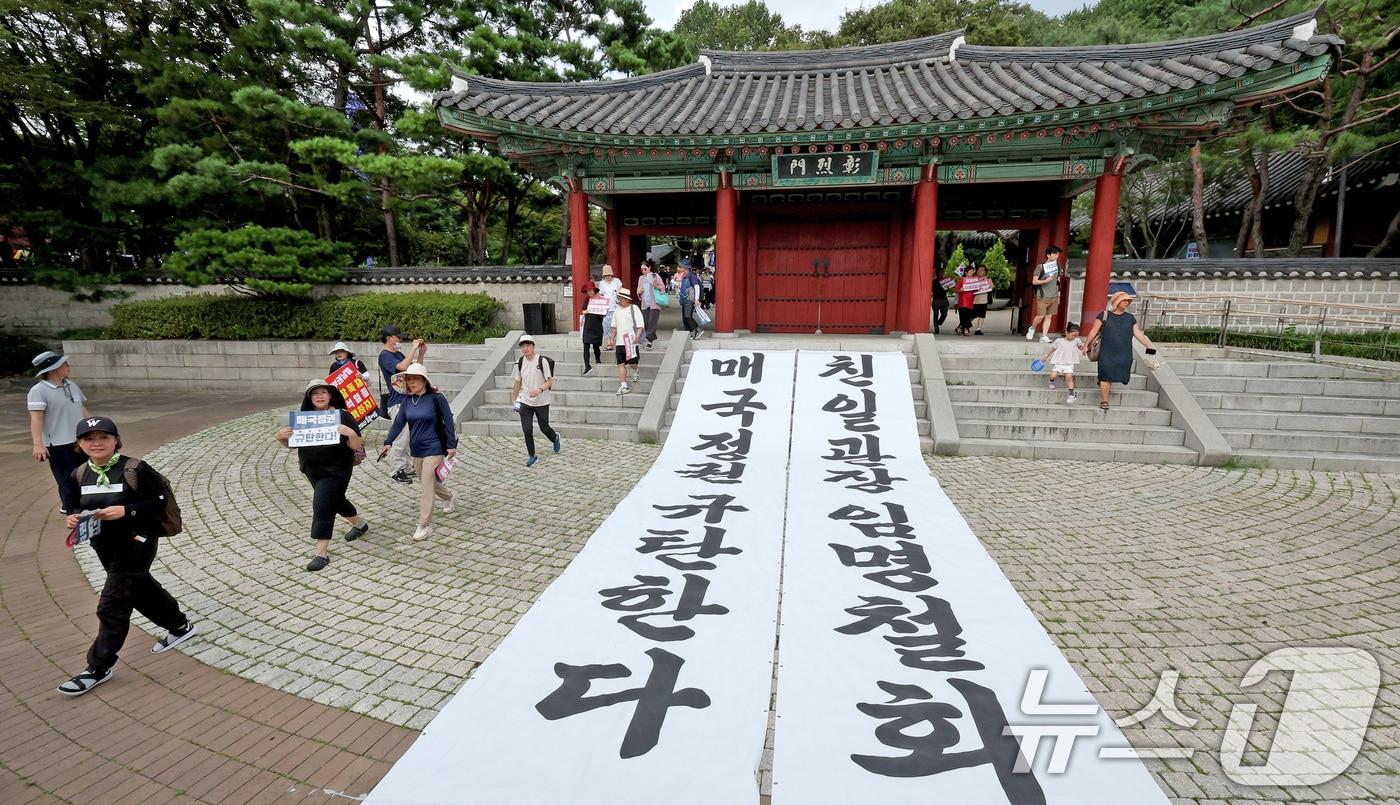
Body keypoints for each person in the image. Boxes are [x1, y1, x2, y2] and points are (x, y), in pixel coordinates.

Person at [56, 416, 196, 696]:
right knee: (139, 587)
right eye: (88, 439)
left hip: (138, 540)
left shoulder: (135, 469)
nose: (96, 443)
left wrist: (126, 510)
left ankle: (98, 667)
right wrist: (72, 517)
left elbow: (158, 499)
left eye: (103, 438)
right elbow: (70, 505)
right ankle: (180, 626)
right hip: (103, 543)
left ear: (116, 440)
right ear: (79, 444)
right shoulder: (79, 474)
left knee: (112, 603)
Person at [276, 380, 369, 571]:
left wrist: (350, 433)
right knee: (335, 500)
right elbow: (294, 444)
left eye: (323, 392)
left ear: (330, 395)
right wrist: (282, 439)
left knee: (322, 505)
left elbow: (356, 444)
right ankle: (360, 525)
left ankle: (321, 553)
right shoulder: (304, 417)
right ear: (309, 397)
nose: (319, 396)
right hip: (312, 469)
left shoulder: (342, 416)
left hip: (337, 470)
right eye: (315, 393)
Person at [379, 363, 457, 540]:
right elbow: (398, 423)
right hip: (417, 450)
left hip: (435, 447)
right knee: (429, 482)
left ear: (424, 380)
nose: (411, 382)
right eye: (408, 379)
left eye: (415, 379)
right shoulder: (407, 401)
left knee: (426, 486)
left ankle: (424, 525)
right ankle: (450, 496)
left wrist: (451, 445)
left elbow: (449, 421)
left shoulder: (437, 398)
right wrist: (388, 442)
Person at [28, 350, 89, 512]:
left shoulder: (72, 385)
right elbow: (36, 419)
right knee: (66, 479)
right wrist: (38, 444)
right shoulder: (38, 391)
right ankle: (71, 509)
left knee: (86, 474)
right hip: (58, 444)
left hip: (80, 440)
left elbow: (81, 408)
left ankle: (84, 504)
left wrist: (92, 428)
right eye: (64, 364)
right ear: (54, 368)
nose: (68, 366)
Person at [1081, 292, 1160, 412]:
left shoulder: (1130, 318)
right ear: (1116, 302)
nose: (1126, 303)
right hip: (1106, 351)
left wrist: (1149, 345)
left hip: (1123, 352)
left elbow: (1138, 333)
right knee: (1105, 375)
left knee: (1116, 374)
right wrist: (1086, 345)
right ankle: (1104, 401)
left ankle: (1105, 386)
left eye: (1128, 301)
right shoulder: (1104, 315)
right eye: (1124, 301)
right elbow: (1093, 331)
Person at [378, 325, 426, 484]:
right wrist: (412, 349)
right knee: (400, 437)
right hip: (397, 402)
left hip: (407, 399)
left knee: (409, 436)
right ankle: (396, 470)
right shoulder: (385, 356)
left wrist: (421, 353)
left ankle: (407, 467)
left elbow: (414, 370)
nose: (401, 340)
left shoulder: (398, 353)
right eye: (398, 337)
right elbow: (402, 367)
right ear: (389, 338)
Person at [510, 334, 561, 467]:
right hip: (525, 401)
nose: (525, 348)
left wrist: (540, 389)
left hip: (542, 401)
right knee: (527, 429)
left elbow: (550, 381)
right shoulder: (519, 363)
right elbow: (517, 382)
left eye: (528, 345)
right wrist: (514, 398)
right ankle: (532, 455)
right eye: (523, 346)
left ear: (533, 346)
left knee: (544, 427)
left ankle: (554, 438)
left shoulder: (542, 361)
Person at [609, 288, 646, 395]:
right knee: (620, 364)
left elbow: (640, 325)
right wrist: (611, 338)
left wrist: (637, 336)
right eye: (618, 298)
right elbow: (614, 327)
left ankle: (636, 369)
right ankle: (624, 385)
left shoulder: (634, 308)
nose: (619, 300)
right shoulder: (617, 310)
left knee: (632, 363)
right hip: (620, 342)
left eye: (620, 298)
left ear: (626, 299)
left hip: (630, 341)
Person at [1027, 245, 1062, 343]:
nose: (1057, 256)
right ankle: (1032, 328)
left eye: (1057, 254)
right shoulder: (1041, 267)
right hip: (1042, 294)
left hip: (1053, 294)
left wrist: (1058, 294)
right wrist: (1045, 281)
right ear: (1048, 255)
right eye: (1055, 254)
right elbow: (1034, 281)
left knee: (1049, 316)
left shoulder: (1058, 266)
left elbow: (1058, 281)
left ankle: (1044, 336)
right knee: (1041, 315)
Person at [1043, 323, 1083, 405]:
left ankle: (1071, 394)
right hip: (1059, 362)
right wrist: (1046, 355)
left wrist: (1084, 350)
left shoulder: (1076, 341)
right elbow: (1053, 348)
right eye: (1073, 335)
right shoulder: (1059, 341)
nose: (1074, 337)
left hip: (1069, 363)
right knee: (1053, 375)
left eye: (1076, 335)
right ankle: (1051, 381)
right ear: (1066, 332)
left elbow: (1081, 347)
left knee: (1069, 378)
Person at [636, 259, 665, 348]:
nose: (644, 271)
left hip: (654, 303)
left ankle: (648, 339)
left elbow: (662, 288)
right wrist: (639, 291)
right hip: (645, 303)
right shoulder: (641, 278)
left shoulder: (655, 276)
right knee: (646, 322)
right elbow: (638, 290)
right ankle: (652, 339)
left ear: (649, 268)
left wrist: (654, 284)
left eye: (645, 269)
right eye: (642, 269)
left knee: (652, 321)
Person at [579, 282, 606, 375]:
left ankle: (598, 359)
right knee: (585, 344)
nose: (589, 292)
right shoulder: (587, 299)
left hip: (597, 324)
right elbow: (583, 310)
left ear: (594, 290)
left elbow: (604, 312)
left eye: (590, 290)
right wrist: (586, 311)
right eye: (587, 291)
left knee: (596, 345)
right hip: (588, 324)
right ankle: (587, 366)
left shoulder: (601, 299)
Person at [678, 260, 704, 340]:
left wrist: (696, 299)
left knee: (687, 316)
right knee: (684, 318)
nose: (679, 268)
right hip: (685, 299)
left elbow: (696, 286)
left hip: (689, 299)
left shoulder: (691, 275)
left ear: (685, 268)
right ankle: (688, 334)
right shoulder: (685, 275)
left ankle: (697, 330)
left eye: (681, 266)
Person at [597, 264, 622, 344]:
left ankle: (613, 340)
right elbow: (600, 294)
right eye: (605, 275)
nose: (607, 277)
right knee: (606, 325)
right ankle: (608, 342)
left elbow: (621, 292)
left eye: (608, 275)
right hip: (606, 308)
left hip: (616, 306)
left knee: (615, 325)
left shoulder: (617, 281)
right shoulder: (602, 283)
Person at [954, 270, 977, 336]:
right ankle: (966, 330)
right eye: (970, 271)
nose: (971, 272)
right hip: (963, 302)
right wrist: (960, 290)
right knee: (965, 316)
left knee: (967, 317)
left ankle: (959, 328)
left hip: (970, 302)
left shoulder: (974, 281)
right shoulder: (962, 280)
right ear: (966, 272)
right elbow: (956, 290)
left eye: (972, 271)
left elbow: (977, 289)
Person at [971, 264, 991, 336]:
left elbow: (992, 287)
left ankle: (978, 329)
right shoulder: (973, 279)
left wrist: (989, 285)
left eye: (982, 270)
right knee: (971, 316)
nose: (980, 271)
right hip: (974, 301)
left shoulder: (987, 279)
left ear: (985, 272)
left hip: (983, 301)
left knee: (982, 315)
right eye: (979, 269)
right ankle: (964, 326)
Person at [931, 269, 952, 334]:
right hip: (936, 300)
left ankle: (939, 322)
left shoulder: (945, 281)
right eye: (940, 273)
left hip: (944, 300)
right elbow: (933, 290)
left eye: (943, 273)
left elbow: (947, 290)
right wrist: (941, 286)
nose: (942, 274)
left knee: (944, 314)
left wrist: (948, 288)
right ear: (937, 274)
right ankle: (936, 329)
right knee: (936, 315)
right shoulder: (934, 282)